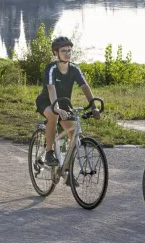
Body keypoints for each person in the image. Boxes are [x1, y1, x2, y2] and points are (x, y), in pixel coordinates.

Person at [34, 36, 100, 168]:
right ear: (56, 53)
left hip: (64, 104)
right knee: (53, 115)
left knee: (73, 133)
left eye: (69, 51)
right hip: (47, 101)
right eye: (64, 51)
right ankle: (49, 152)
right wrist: (56, 108)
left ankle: (67, 169)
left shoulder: (74, 69)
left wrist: (94, 107)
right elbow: (51, 88)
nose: (67, 54)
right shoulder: (51, 68)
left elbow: (85, 87)